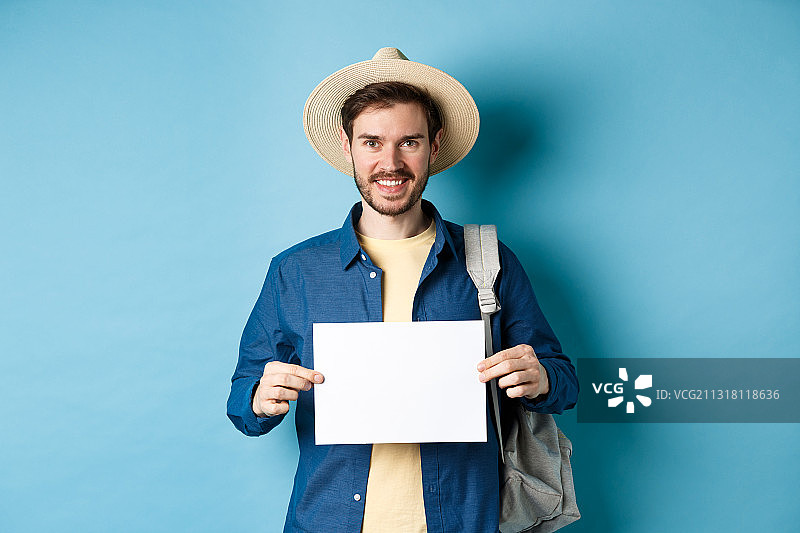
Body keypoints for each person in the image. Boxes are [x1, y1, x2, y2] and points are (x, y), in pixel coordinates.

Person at [227, 47, 578, 533]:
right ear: (347, 146)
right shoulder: (297, 271)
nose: (389, 163)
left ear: (434, 147)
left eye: (408, 142)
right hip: (328, 522)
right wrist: (260, 398)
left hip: (461, 522)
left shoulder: (489, 260)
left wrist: (539, 379)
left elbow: (563, 381)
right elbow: (242, 402)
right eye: (372, 142)